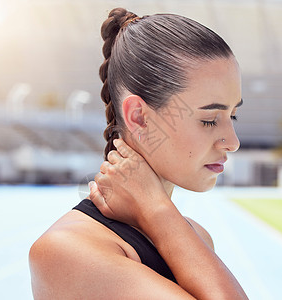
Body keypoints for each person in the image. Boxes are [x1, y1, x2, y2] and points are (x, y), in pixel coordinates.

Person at [29, 7, 248, 299]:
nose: (232, 142)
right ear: (140, 117)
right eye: (209, 119)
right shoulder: (68, 249)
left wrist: (158, 212)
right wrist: (157, 210)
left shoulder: (194, 236)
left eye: (232, 116)